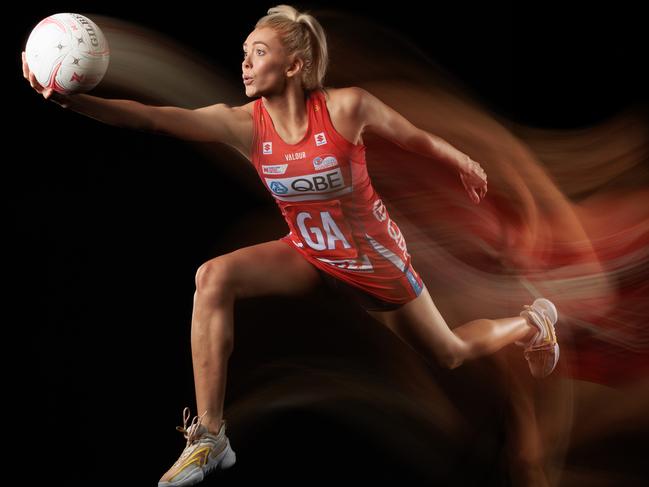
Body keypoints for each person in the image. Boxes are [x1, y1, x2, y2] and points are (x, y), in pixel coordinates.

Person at [23, 4, 560, 486]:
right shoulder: (244, 125)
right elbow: (154, 120)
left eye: (258, 52)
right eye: (244, 53)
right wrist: (76, 103)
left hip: (374, 263)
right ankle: (211, 437)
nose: (246, 63)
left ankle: (532, 322)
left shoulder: (348, 109)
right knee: (213, 276)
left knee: (451, 353)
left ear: (295, 66)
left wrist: (461, 162)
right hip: (308, 252)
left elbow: (412, 136)